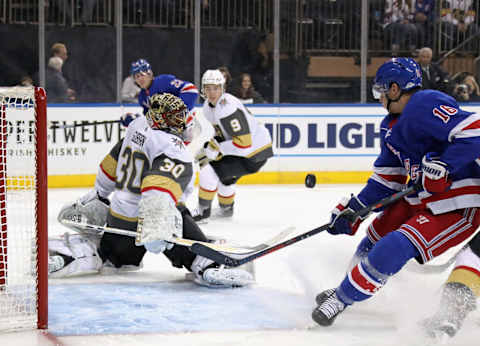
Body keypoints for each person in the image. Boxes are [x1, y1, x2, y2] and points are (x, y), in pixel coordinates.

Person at [311, 58, 480, 328]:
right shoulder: (389, 126)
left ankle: (342, 298)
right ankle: (348, 287)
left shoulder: (425, 102)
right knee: (375, 235)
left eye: (380, 90)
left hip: (456, 200)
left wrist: (445, 166)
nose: (378, 97)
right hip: (422, 197)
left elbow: (475, 130)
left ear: (394, 89)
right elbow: (389, 179)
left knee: (395, 244)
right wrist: (355, 209)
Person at [48, 93, 254, 288]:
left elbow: (110, 164)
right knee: (181, 226)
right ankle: (208, 265)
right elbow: (157, 189)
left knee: (112, 256)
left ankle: (70, 254)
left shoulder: (137, 126)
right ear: (163, 120)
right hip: (149, 217)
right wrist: (155, 226)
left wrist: (99, 194)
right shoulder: (173, 148)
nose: (181, 120)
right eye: (175, 117)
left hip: (119, 216)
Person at [192, 69, 273, 223]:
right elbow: (224, 134)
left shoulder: (227, 107)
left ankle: (202, 212)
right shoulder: (208, 108)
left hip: (254, 153)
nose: (212, 92)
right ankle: (226, 209)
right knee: (224, 175)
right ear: (203, 89)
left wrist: (217, 149)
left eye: (215, 88)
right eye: (208, 88)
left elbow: (244, 144)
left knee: (208, 170)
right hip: (253, 149)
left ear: (222, 88)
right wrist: (212, 146)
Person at [120, 58, 200, 145]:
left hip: (188, 127)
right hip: (172, 135)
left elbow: (191, 89)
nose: (140, 79)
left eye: (142, 74)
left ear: (149, 74)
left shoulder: (163, 81)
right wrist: (134, 120)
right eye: (137, 76)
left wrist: (177, 110)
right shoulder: (142, 97)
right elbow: (151, 122)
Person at [422, 231, 480, 340]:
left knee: (454, 308)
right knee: (455, 303)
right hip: (474, 257)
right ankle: (447, 317)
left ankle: (448, 318)